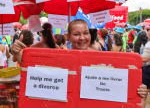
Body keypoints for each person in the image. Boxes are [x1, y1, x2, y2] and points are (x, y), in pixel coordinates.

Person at [11, 20, 148, 107]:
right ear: (68, 37)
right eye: (76, 34)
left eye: (86, 33)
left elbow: (122, 92)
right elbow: (33, 70)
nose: (82, 38)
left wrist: (138, 92)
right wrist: (17, 52)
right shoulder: (59, 56)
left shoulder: (104, 59)